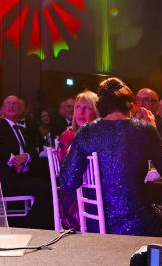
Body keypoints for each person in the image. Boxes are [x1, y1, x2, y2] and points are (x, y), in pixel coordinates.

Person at [59, 78, 162, 236]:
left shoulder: (85, 132)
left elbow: (68, 182)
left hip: (95, 223)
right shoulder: (143, 129)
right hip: (137, 224)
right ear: (130, 105)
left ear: (100, 105)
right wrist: (154, 130)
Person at [0, 94, 53, 229]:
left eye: (15, 103)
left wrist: (26, 156)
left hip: (25, 174)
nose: (11, 106)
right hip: (9, 177)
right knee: (45, 189)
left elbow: (35, 147)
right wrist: (13, 160)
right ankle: (28, 226)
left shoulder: (22, 129)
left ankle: (44, 224)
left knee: (49, 183)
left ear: (20, 108)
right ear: (3, 108)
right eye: (8, 103)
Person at [55, 91, 98, 230]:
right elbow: (68, 176)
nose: (81, 112)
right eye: (78, 107)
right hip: (76, 199)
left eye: (87, 107)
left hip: (99, 195)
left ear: (97, 111)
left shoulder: (102, 136)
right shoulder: (68, 136)